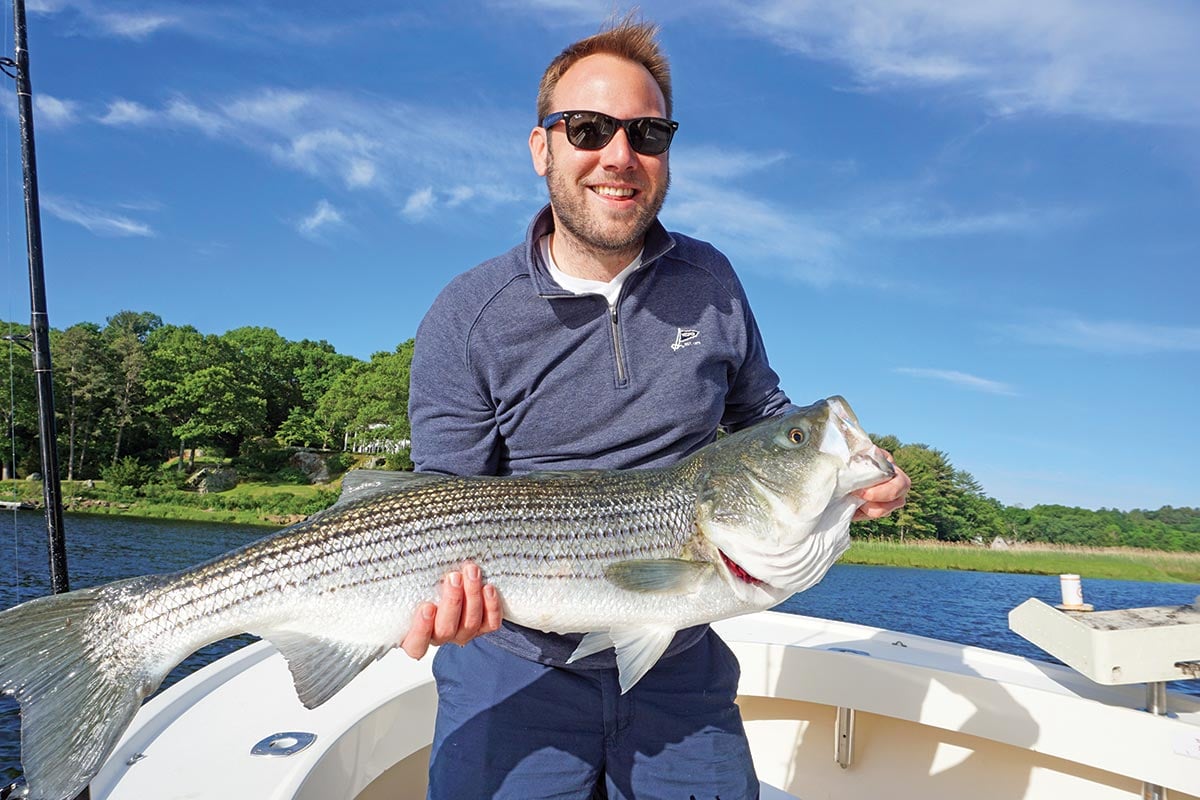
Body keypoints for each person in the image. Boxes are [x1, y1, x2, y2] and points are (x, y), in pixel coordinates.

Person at [405, 16, 910, 800]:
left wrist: (845, 477)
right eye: (587, 128)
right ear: (542, 148)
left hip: (679, 661)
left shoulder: (711, 281)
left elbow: (761, 418)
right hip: (512, 666)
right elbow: (441, 500)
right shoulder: (467, 313)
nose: (619, 155)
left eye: (647, 132)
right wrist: (447, 601)